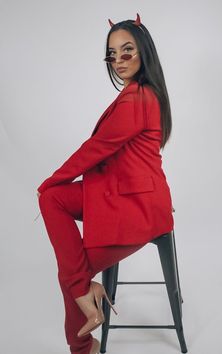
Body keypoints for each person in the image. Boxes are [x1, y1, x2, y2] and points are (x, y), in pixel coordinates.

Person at [36, 13, 174, 354]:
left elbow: (96, 149)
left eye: (127, 50)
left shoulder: (139, 98)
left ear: (144, 52)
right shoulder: (137, 94)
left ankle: (83, 347)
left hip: (137, 209)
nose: (119, 60)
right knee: (53, 201)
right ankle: (87, 296)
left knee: (71, 274)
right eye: (112, 53)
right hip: (119, 193)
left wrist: (50, 179)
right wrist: (51, 187)